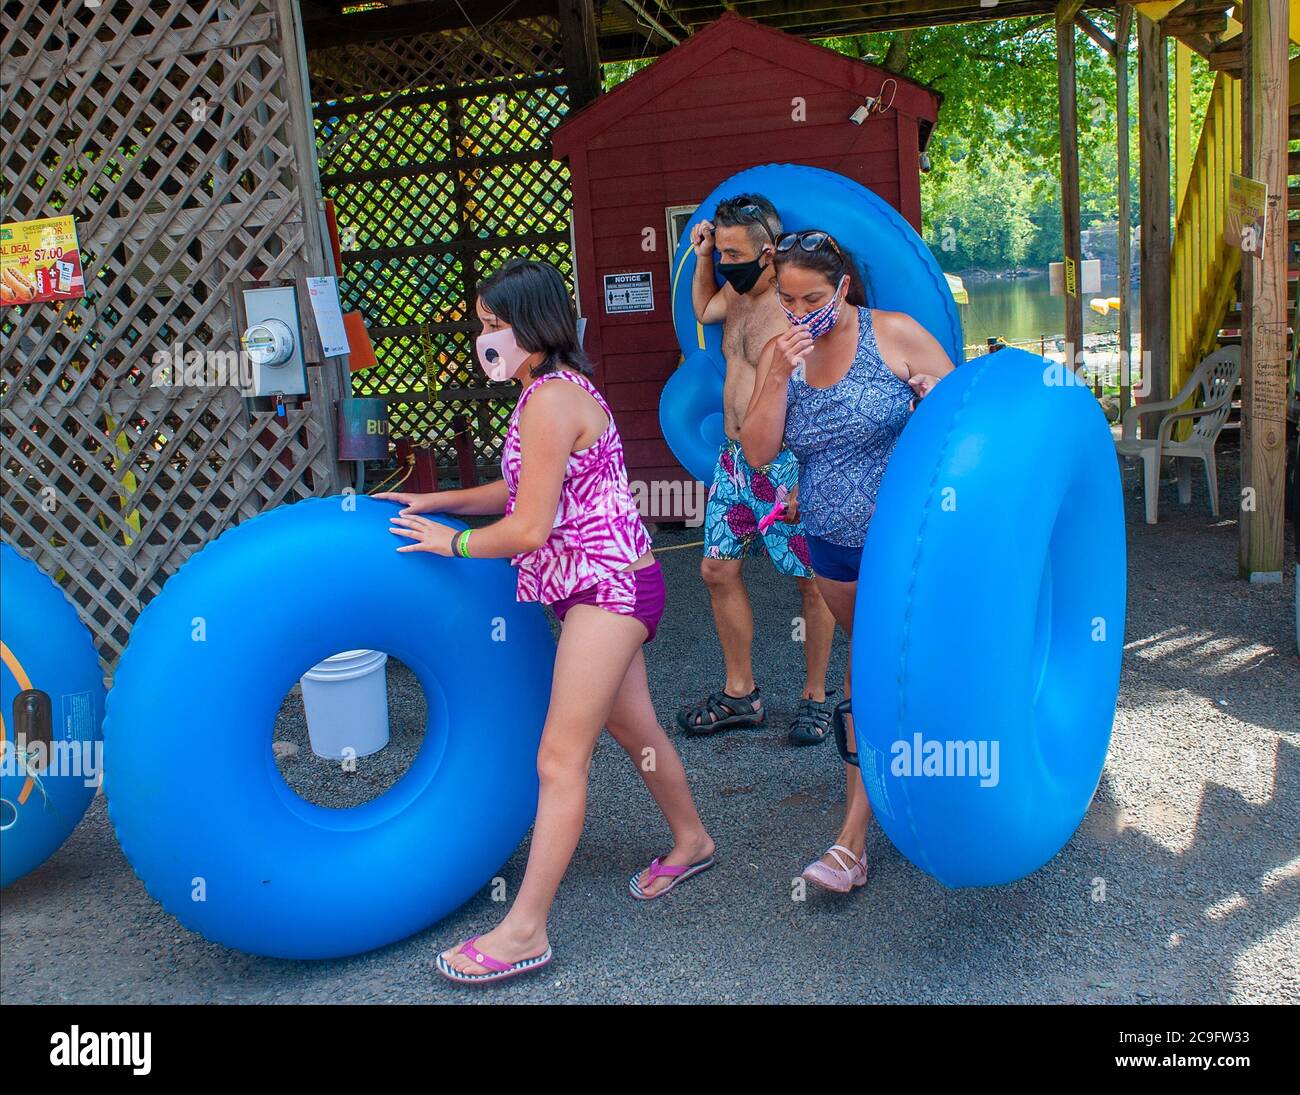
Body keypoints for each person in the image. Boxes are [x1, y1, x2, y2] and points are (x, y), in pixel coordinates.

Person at [376, 258, 714, 983]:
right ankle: (693, 840)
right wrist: (445, 501)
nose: (484, 338)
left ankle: (523, 929)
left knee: (560, 760)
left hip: (608, 591)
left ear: (534, 325)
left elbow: (528, 527)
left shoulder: (550, 399)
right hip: (611, 583)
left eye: (495, 325)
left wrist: (453, 541)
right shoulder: (546, 393)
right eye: (482, 325)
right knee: (636, 729)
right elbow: (523, 483)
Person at [740, 229, 954, 893]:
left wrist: (927, 403)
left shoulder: (893, 333)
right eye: (788, 299)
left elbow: (966, 425)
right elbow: (756, 450)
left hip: (906, 543)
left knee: (870, 678)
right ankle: (911, 783)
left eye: (813, 297)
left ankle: (851, 841)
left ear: (843, 288)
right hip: (830, 546)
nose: (801, 311)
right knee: (882, 669)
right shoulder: (786, 355)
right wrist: (774, 375)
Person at [677, 194, 838, 747]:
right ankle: (742, 693)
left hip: (787, 463)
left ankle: (817, 698)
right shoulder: (735, 294)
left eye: (734, 253)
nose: (727, 262)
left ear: (768, 251)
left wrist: (807, 476)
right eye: (721, 252)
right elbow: (702, 314)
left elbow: (822, 392)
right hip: (734, 459)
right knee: (717, 571)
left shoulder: (795, 311)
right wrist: (701, 259)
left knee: (812, 583)